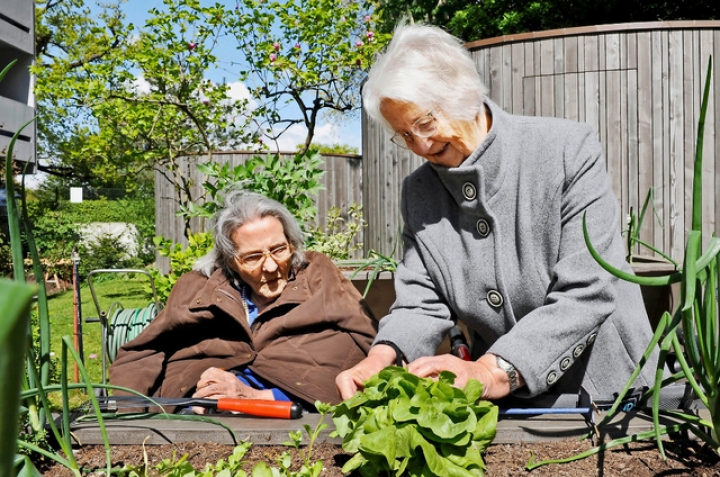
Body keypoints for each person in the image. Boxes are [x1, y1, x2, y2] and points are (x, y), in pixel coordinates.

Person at [336, 24, 659, 405]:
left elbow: (587, 290)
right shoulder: (419, 192)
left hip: (610, 393)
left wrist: (493, 370)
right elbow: (420, 301)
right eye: (404, 135)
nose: (419, 145)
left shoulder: (566, 151)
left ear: (466, 95)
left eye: (425, 123)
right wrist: (382, 356)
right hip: (511, 405)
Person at [110, 190, 377, 411]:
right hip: (196, 410)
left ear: (292, 244)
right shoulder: (196, 286)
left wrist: (253, 396)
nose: (271, 267)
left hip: (295, 408)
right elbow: (141, 352)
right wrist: (125, 417)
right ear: (229, 261)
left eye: (279, 250)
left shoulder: (317, 273)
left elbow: (370, 342)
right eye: (252, 258)